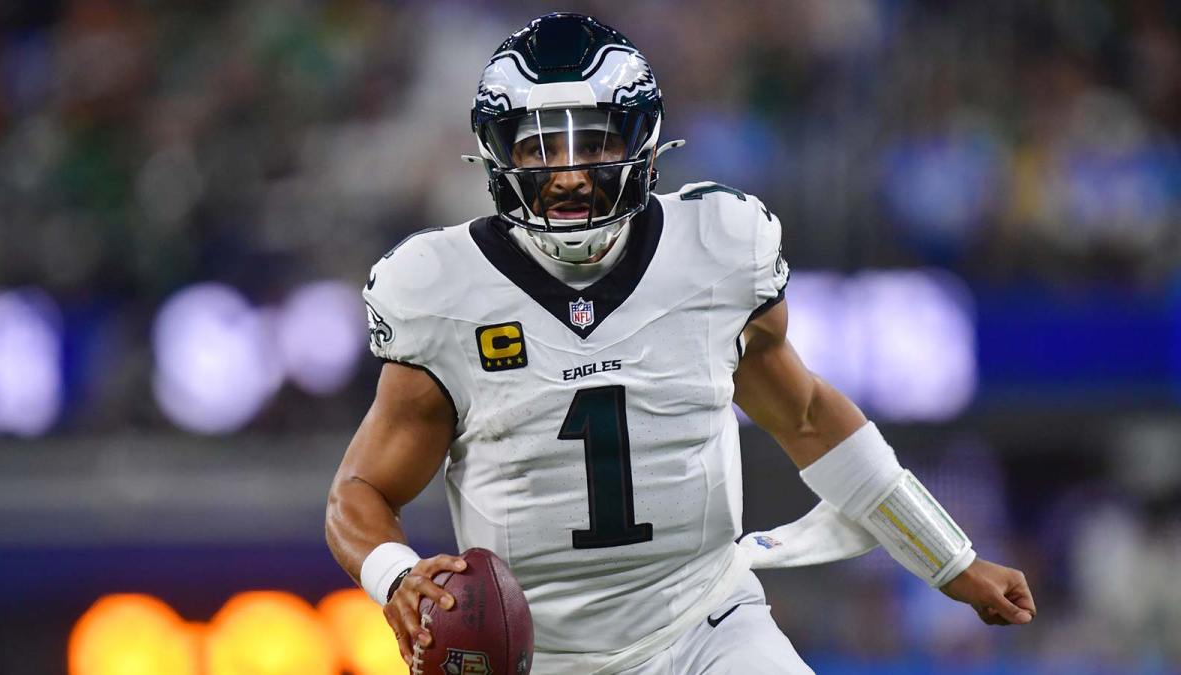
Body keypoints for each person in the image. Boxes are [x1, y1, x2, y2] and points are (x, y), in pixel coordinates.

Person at [325, 12, 1036, 674]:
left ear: (643, 140)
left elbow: (810, 418)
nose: (569, 173)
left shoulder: (714, 251)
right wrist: (395, 578)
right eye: (542, 144)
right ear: (497, 152)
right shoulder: (443, 293)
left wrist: (949, 557)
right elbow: (358, 491)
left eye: (595, 140)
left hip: (706, 626)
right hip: (540, 655)